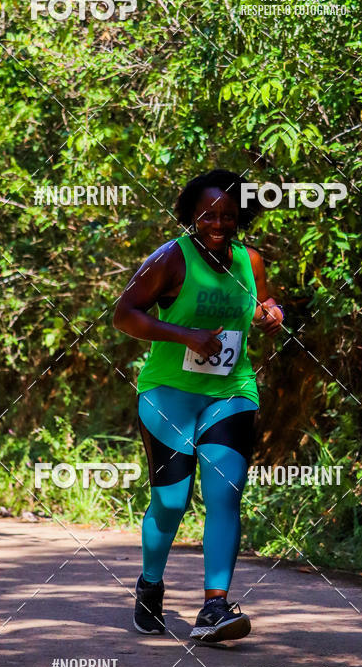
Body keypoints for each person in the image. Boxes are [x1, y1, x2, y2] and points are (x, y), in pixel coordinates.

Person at [113, 169, 283, 642]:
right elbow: (124, 315)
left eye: (228, 214)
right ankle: (150, 586)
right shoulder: (170, 258)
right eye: (208, 214)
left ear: (241, 216)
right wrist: (185, 334)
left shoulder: (249, 260)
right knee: (171, 501)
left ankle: (214, 608)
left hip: (231, 391)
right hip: (169, 393)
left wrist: (271, 314)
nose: (218, 223)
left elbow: (258, 305)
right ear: (191, 215)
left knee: (225, 494)